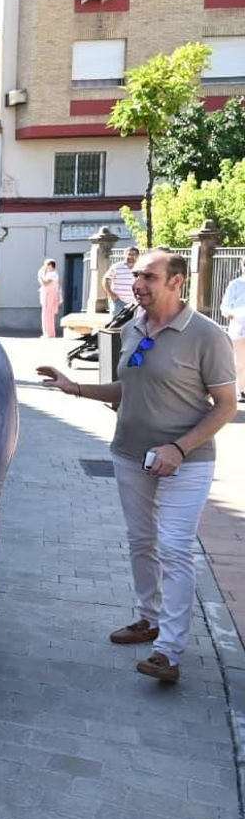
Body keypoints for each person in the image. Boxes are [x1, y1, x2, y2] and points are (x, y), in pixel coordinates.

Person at [38, 249, 236, 684]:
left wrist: (179, 449)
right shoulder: (134, 326)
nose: (138, 284)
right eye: (136, 276)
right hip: (130, 454)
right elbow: (126, 387)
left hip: (186, 461)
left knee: (174, 547)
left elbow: (225, 406)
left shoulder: (206, 335)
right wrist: (75, 388)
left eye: (148, 277)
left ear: (176, 281)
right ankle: (149, 619)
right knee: (141, 541)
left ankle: (168, 650)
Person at [218, 273, 245, 403]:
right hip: (239, 328)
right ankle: (241, 391)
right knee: (240, 362)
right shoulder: (235, 284)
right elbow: (225, 307)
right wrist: (230, 314)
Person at [102, 245, 138, 316]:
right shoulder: (117, 266)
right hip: (118, 302)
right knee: (116, 322)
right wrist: (111, 295)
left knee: (132, 322)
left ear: (137, 256)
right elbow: (105, 280)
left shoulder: (140, 268)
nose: (131, 256)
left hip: (134, 303)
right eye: (129, 254)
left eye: (133, 254)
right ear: (125, 255)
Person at [38, 258, 61, 338]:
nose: (45, 267)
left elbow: (45, 283)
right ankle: (48, 333)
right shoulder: (50, 274)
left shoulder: (53, 274)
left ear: (50, 265)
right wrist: (42, 274)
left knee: (47, 315)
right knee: (47, 315)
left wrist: (40, 276)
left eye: (46, 265)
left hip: (50, 296)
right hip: (47, 296)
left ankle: (49, 334)